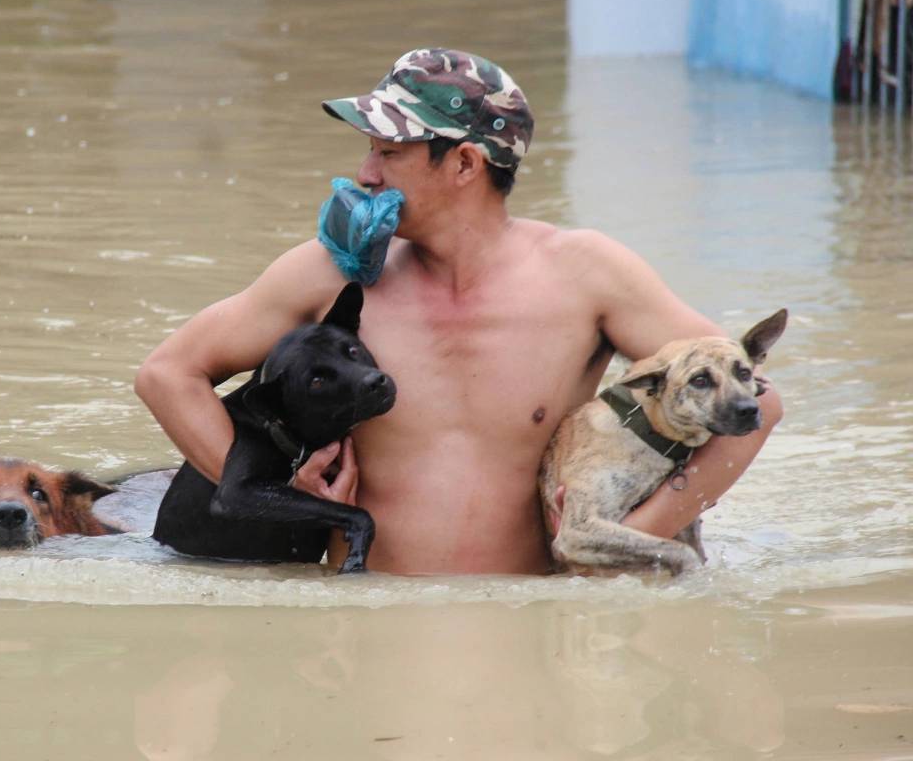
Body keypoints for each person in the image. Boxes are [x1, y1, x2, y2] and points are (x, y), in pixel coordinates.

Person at [134, 48, 782, 575]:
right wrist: (277, 500)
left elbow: (759, 404)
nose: (364, 173)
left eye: (388, 154)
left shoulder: (587, 275)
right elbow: (168, 375)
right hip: (364, 614)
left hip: (532, 616)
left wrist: (643, 531)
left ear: (465, 163)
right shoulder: (328, 274)